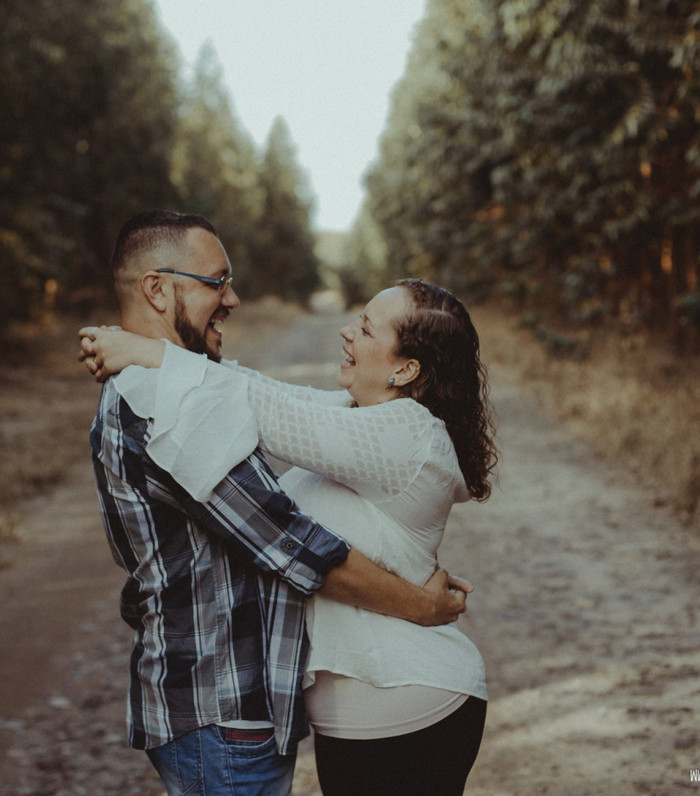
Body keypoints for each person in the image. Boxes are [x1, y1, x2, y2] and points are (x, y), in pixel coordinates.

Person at [85, 210, 471, 796]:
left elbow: (280, 407)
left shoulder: (169, 389)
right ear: (157, 290)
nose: (233, 298)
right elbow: (293, 545)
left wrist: (146, 351)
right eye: (217, 282)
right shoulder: (164, 404)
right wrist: (421, 603)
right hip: (221, 710)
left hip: (232, 710)